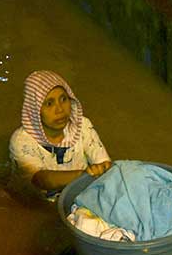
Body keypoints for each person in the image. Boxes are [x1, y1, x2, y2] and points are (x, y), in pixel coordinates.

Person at [9, 70, 112, 201]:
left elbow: (104, 165)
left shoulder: (83, 126)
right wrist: (83, 175)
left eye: (63, 99)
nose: (60, 109)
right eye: (49, 103)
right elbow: (40, 179)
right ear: (34, 110)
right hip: (36, 202)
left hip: (76, 196)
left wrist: (101, 169)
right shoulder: (22, 140)